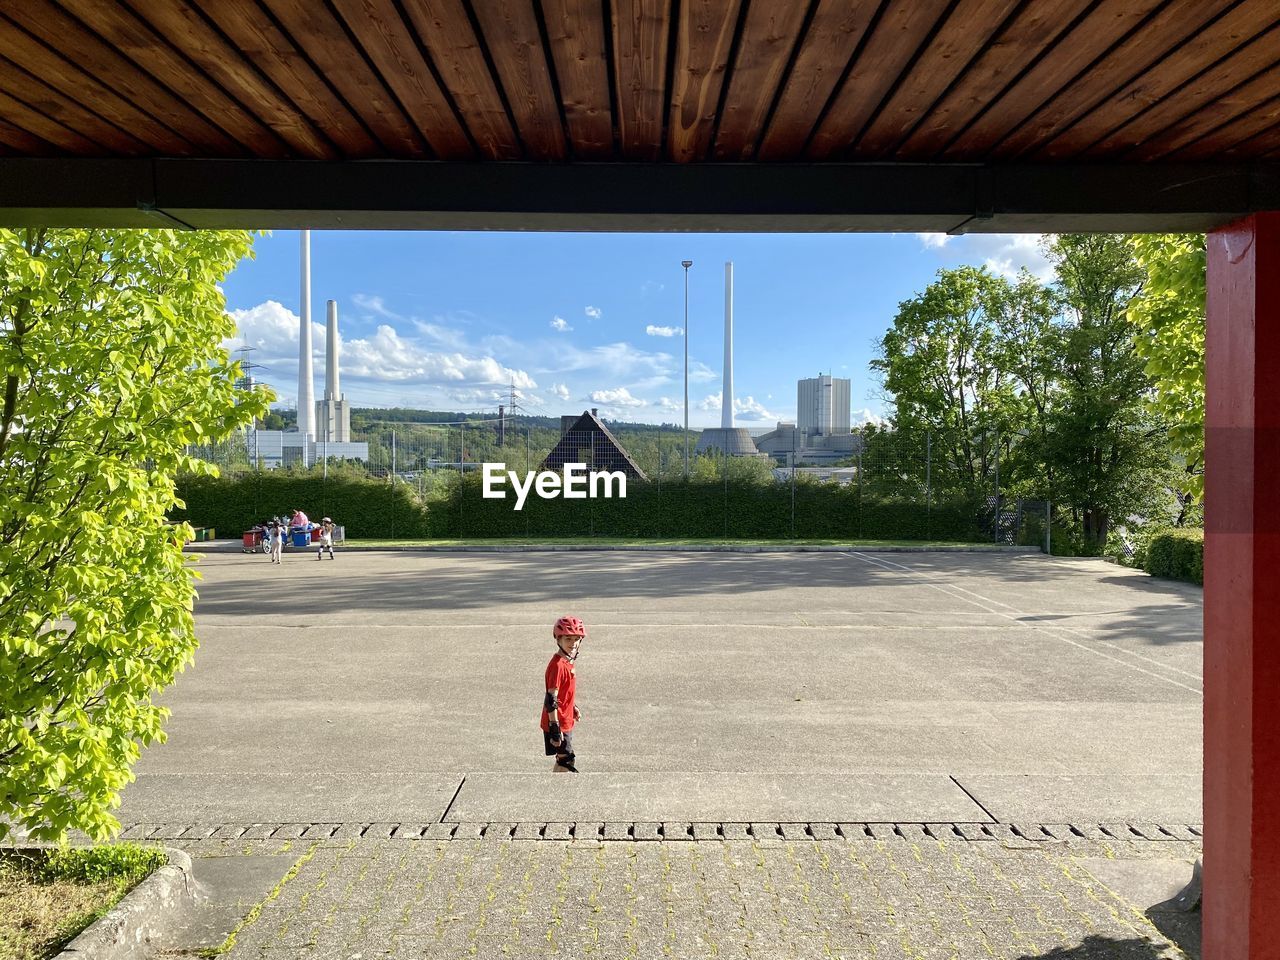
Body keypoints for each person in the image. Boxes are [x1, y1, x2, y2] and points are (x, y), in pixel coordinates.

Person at [540, 616, 586, 773]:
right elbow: (551, 698)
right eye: (568, 639)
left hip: (565, 718)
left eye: (576, 639)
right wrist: (554, 726)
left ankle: (556, 790)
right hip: (558, 721)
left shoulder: (567, 662)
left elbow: (565, 692)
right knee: (566, 759)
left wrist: (573, 707)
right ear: (558, 638)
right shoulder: (558, 665)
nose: (573, 644)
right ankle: (559, 792)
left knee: (564, 758)